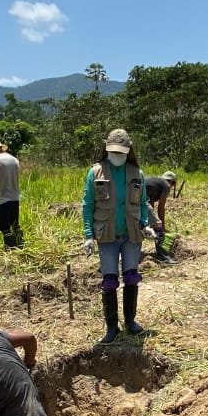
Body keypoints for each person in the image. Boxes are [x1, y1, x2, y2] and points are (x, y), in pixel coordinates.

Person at [82, 129, 158, 344]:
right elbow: (88, 205)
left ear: (128, 151)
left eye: (121, 153)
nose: (117, 156)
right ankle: (112, 327)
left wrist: (146, 224)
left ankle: (131, 322)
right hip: (106, 235)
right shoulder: (95, 172)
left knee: (132, 276)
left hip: (131, 233)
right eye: (114, 152)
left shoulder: (136, 173)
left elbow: (142, 203)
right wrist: (88, 235)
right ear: (107, 150)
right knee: (109, 280)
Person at [143, 170, 177, 263]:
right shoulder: (166, 185)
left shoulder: (155, 183)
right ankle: (163, 257)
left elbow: (151, 205)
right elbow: (161, 207)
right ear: (172, 182)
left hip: (131, 200)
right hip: (141, 201)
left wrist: (150, 221)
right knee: (158, 226)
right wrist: (161, 226)